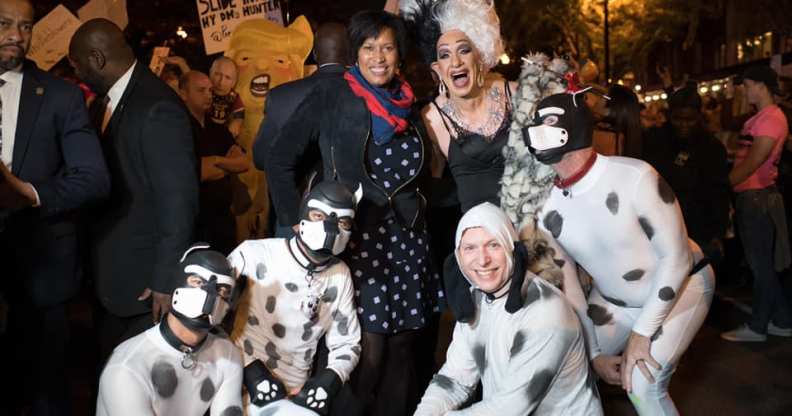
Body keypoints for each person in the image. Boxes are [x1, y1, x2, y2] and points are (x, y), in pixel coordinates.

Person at [266, 10, 443, 416]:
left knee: (403, 349)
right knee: (365, 353)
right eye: (368, 47)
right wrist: (296, 223)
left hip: (407, 243)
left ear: (399, 54)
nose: (378, 57)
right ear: (355, 54)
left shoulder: (408, 102)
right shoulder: (332, 96)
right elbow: (279, 159)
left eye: (387, 48)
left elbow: (421, 174)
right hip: (356, 244)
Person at [523, 91, 715, 415]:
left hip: (683, 286)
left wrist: (642, 333)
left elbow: (677, 258)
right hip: (614, 300)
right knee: (564, 369)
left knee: (643, 384)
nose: (538, 132)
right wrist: (594, 354)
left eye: (550, 122)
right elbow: (570, 285)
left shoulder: (636, 176)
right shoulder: (546, 204)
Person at [0, 1, 109, 414]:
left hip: (40, 268)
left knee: (44, 389)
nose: (16, 35)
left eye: (25, 26)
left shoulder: (61, 96)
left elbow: (94, 178)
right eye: (4, 24)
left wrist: (29, 194)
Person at [68, 18, 199, 359]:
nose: (76, 74)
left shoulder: (157, 107)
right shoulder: (104, 102)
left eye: (77, 65)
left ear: (97, 59)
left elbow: (178, 200)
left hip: (145, 286)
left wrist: (165, 278)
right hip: (112, 276)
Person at [415, 203, 603, 415]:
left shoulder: (546, 310)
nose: (482, 260)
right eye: (470, 248)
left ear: (512, 249)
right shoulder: (475, 299)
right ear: (458, 256)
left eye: (493, 245)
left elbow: (510, 408)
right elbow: (455, 380)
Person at [228, 180, 362, 415]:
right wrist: (250, 371)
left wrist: (329, 381)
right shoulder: (254, 254)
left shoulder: (339, 275)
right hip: (236, 377)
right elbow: (210, 316)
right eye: (318, 216)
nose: (330, 229)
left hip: (297, 391)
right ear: (302, 217)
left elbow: (347, 342)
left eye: (342, 222)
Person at [96, 244, 244, 416]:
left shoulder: (227, 356)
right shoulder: (127, 368)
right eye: (197, 282)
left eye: (222, 290)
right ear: (177, 284)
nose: (210, 296)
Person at [402, 0, 514, 213]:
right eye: (445, 54)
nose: (455, 62)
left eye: (464, 50)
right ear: (437, 69)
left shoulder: (516, 95)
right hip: (478, 229)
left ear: (480, 57)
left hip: (531, 223)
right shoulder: (431, 119)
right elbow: (433, 185)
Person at [254, 22, 351, 238]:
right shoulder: (366, 94)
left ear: (315, 54)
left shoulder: (282, 96)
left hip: (295, 209)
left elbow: (261, 158)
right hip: (349, 213)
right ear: (352, 53)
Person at [721, 65, 792, 342]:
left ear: (761, 86)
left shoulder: (771, 118)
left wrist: (722, 187)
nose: (745, 90)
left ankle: (758, 326)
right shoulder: (760, 117)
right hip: (752, 197)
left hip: (757, 198)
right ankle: (782, 320)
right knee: (761, 265)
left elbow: (754, 161)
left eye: (748, 85)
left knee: (760, 266)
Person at [642, 86, 730, 263]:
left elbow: (719, 192)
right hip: (661, 224)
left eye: (690, 120)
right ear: (669, 115)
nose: (684, 125)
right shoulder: (654, 140)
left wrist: (717, 232)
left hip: (699, 227)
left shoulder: (712, 147)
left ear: (699, 116)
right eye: (678, 119)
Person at [179, 70, 248, 255]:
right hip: (195, 222)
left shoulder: (218, 129)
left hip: (223, 220)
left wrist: (216, 161)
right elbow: (200, 172)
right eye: (201, 90)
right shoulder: (178, 129)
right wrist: (227, 165)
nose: (208, 95)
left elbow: (243, 163)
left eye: (210, 90)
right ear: (183, 93)